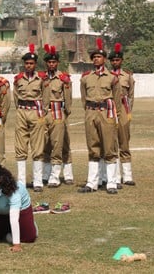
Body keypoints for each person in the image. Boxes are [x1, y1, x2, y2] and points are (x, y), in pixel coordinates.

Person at [78, 39, 120, 194]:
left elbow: (117, 98)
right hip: (91, 112)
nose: (96, 59)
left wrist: (115, 116)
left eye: (99, 57)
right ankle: (92, 183)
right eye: (94, 57)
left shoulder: (112, 78)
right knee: (93, 148)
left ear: (104, 59)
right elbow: (83, 97)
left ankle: (111, 183)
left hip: (106, 113)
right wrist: (89, 111)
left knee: (109, 147)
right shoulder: (86, 77)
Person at [12, 44, 46, 191]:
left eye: (31, 63)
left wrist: (42, 113)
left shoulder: (41, 79)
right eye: (26, 63)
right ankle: (21, 181)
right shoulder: (18, 79)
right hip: (21, 111)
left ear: (35, 64)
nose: (29, 66)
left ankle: (38, 181)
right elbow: (15, 97)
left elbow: (45, 97)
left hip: (36, 111)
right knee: (20, 146)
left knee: (37, 147)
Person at [40, 44, 74, 187]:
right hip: (45, 113)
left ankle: (59, 175)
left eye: (54, 62)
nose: (51, 64)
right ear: (46, 63)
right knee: (45, 144)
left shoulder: (63, 78)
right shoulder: (41, 78)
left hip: (58, 112)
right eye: (49, 62)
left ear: (57, 63)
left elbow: (68, 98)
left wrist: (66, 114)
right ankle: (46, 174)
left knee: (60, 144)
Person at [108, 42, 136, 187]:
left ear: (121, 61)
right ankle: (115, 176)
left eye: (117, 60)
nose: (115, 62)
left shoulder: (127, 76)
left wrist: (128, 112)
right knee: (112, 143)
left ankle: (127, 176)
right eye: (112, 60)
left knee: (124, 142)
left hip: (124, 110)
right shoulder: (107, 76)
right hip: (110, 109)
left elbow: (131, 95)